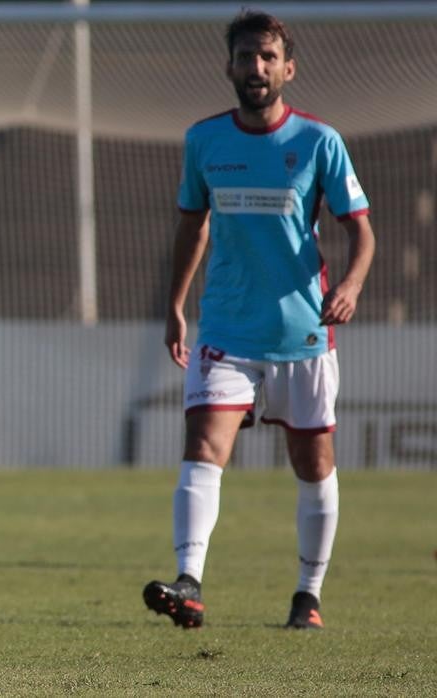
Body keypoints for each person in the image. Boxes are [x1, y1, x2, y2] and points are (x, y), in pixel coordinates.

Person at [143, 9, 375, 631]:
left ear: (288, 68)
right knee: (201, 447)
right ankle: (189, 583)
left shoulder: (319, 142)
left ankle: (308, 594)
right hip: (225, 328)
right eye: (246, 57)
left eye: (268, 57)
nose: (257, 67)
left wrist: (351, 285)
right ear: (229, 66)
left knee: (313, 464)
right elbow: (193, 225)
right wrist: (174, 306)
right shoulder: (205, 141)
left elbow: (362, 231)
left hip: (302, 331)